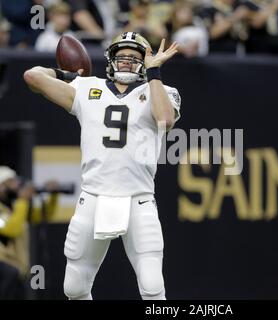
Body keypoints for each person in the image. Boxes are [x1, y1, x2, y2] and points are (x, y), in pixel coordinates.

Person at [23, 32, 181, 300]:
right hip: (94, 195)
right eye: (121, 56)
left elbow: (164, 118)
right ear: (110, 59)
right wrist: (67, 75)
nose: (127, 62)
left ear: (146, 61)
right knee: (74, 287)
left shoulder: (161, 90)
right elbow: (33, 76)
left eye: (134, 57)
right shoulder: (86, 88)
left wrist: (154, 73)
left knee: (153, 286)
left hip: (138, 198)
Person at [0, 166, 59, 299]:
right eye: (10, 182)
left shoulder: (15, 209)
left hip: (17, 274)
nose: (16, 185)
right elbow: (11, 229)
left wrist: (53, 196)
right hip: (3, 273)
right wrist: (23, 200)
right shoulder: (15, 207)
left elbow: (43, 215)